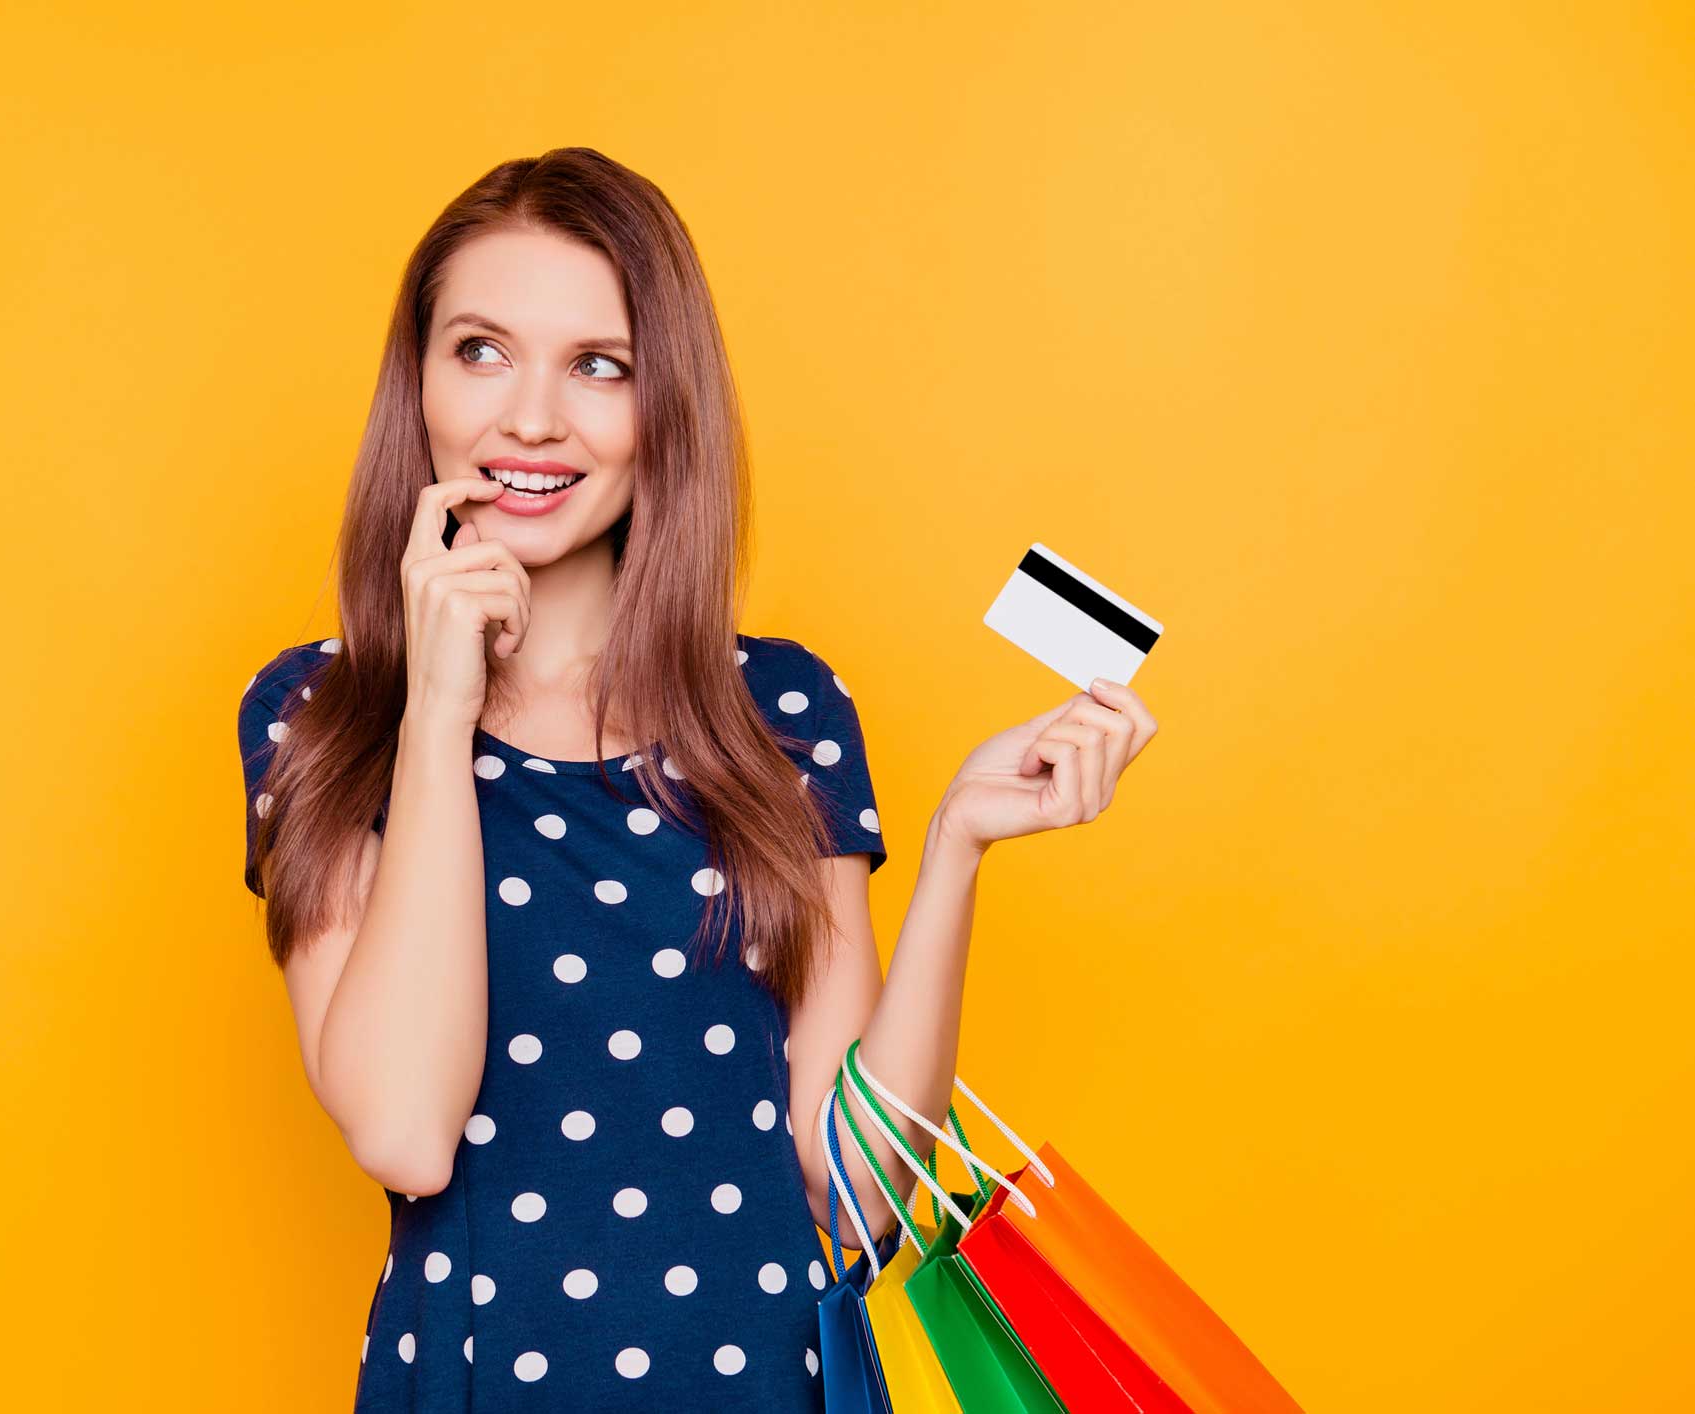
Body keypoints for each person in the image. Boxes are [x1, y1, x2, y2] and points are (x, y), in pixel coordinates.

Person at [234, 146, 1158, 1412]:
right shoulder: (323, 714)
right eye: (483, 351)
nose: (533, 419)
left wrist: (956, 846)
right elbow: (403, 1133)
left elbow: (860, 1197)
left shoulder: (778, 711)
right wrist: (440, 711)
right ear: (422, 381)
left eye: (598, 366)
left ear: (665, 403)